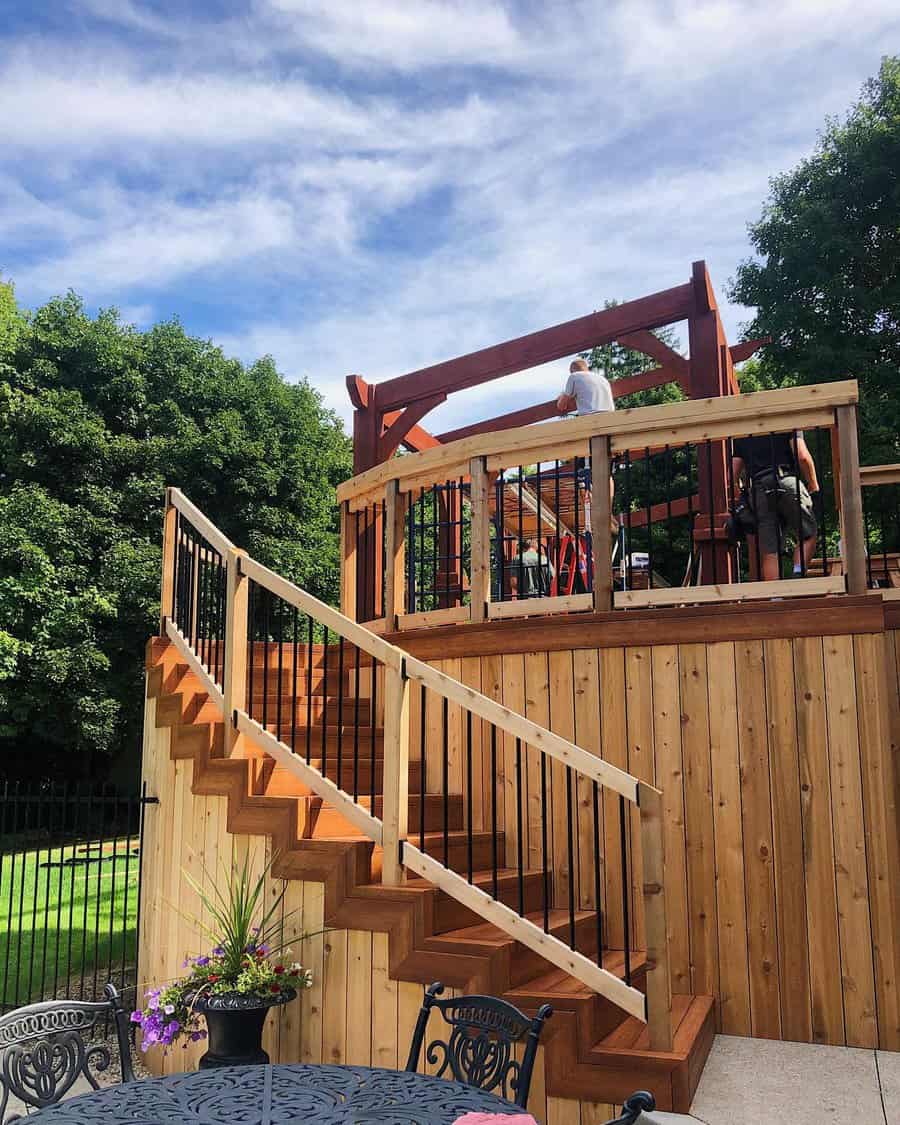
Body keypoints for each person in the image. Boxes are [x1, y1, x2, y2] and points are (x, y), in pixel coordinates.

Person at [731, 430, 821, 581]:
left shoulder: (743, 432)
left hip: (759, 489)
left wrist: (741, 495)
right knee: (807, 534)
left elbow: (732, 475)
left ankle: (776, 598)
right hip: (786, 480)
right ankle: (798, 574)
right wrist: (814, 485)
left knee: (770, 551)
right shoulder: (786, 420)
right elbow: (802, 457)